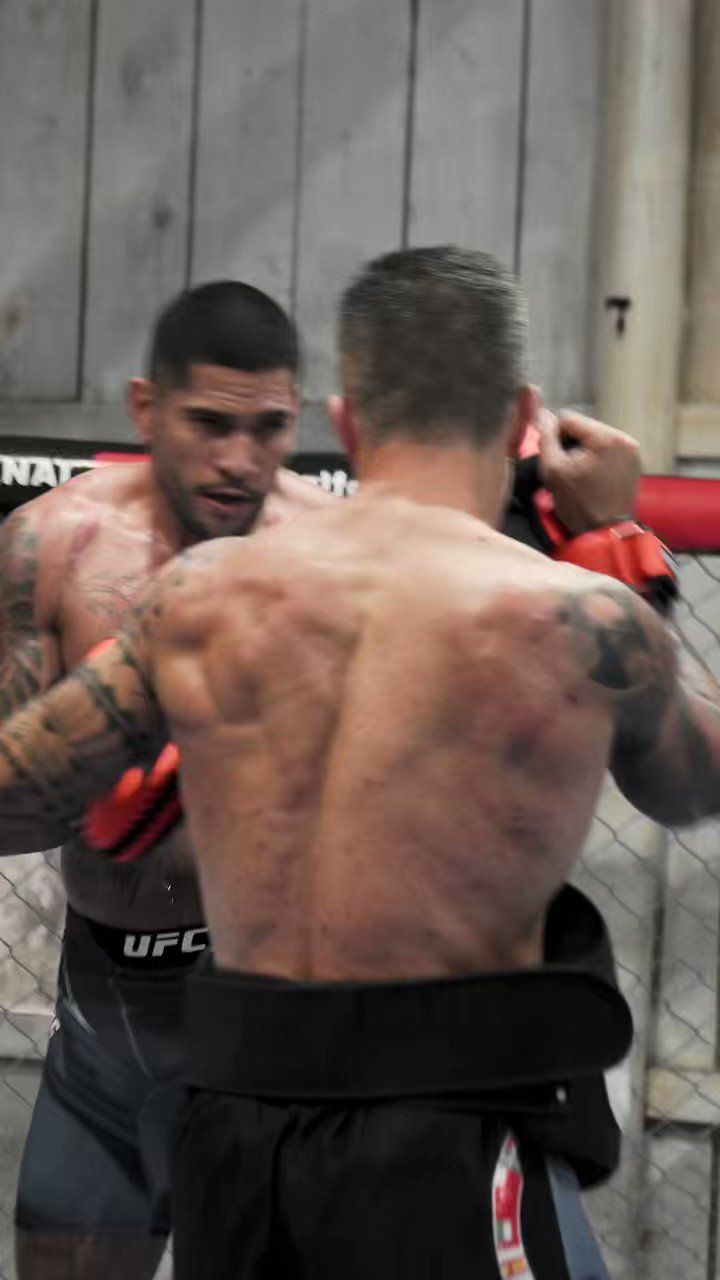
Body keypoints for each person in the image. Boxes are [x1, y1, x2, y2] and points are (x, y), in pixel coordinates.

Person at [0, 246, 712, 1279]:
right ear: (522, 414)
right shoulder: (578, 615)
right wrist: (619, 541)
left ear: (341, 420)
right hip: (447, 1135)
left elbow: (20, 787)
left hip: (238, 1132)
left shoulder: (204, 597)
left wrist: (141, 771)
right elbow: (691, 780)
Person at [2, 280, 334, 1280]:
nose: (241, 459)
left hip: (271, 1018)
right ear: (148, 408)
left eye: (269, 427)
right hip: (107, 1020)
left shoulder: (336, 561)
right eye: (210, 423)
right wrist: (99, 758)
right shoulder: (50, 547)